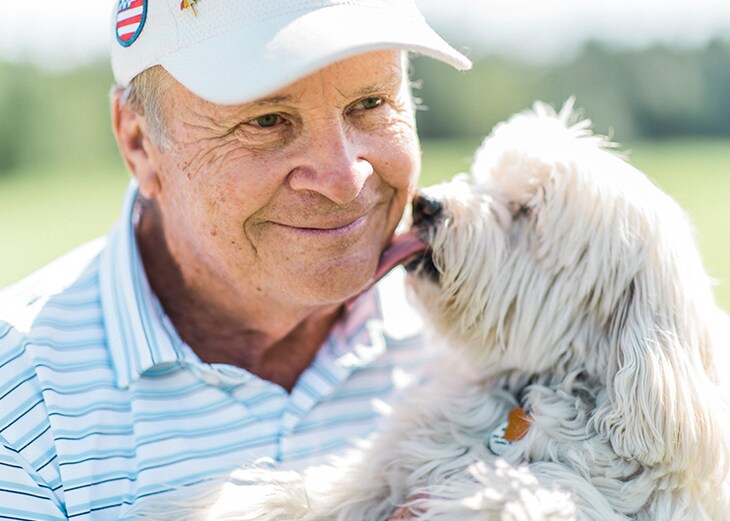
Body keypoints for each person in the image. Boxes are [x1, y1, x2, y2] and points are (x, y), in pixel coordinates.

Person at [0, 0, 470, 519]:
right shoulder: (21, 404)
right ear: (138, 143)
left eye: (371, 103)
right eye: (268, 121)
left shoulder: (488, 335)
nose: (344, 179)